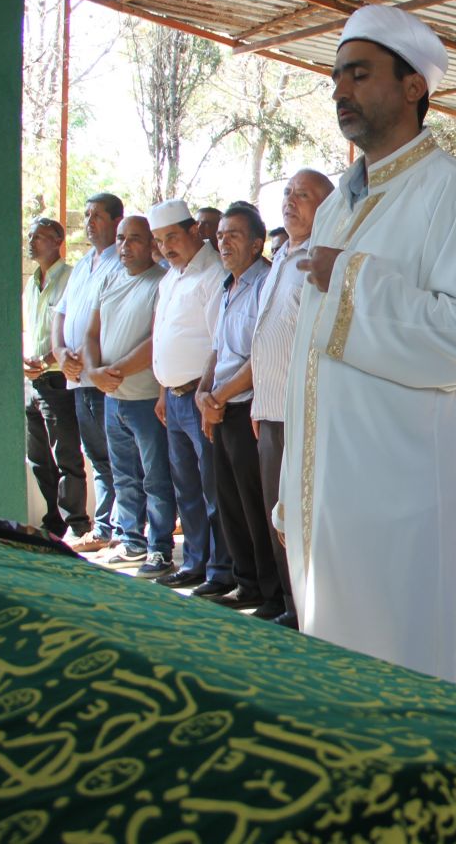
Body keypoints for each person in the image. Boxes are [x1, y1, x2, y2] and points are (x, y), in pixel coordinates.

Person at [277, 3, 456, 691]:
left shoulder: (451, 192)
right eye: (337, 77)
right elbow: (312, 361)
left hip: (399, 503)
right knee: (338, 681)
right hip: (331, 495)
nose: (341, 89)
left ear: (413, 87)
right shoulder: (343, 201)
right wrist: (296, 482)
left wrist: (350, 278)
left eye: (359, 73)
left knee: (405, 676)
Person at [247, 170, 331, 628]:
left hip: (303, 415)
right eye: (287, 193)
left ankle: (311, 616)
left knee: (299, 522)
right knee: (275, 517)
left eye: (303, 195)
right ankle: (291, 607)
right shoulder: (282, 254)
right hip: (271, 409)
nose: (290, 201)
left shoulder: (325, 257)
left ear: (328, 206)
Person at [148, 199, 232, 597]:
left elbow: (221, 344)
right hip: (175, 400)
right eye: (160, 241)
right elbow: (166, 339)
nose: (166, 247)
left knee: (212, 489)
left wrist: (207, 398)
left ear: (194, 231)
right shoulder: (171, 278)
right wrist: (165, 391)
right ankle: (194, 562)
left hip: (202, 398)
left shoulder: (213, 275)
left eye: (172, 237)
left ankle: (220, 570)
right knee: (186, 489)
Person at [197, 204, 276, 614]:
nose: (222, 242)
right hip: (220, 407)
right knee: (228, 501)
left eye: (233, 235)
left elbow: (260, 355)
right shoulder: (228, 285)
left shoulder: (265, 284)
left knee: (255, 504)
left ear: (257, 244)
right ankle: (245, 584)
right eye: (221, 235)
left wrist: (221, 396)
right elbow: (218, 347)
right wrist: (203, 392)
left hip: (247, 410)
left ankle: (268, 589)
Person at [84, 216, 171, 575]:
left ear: (151, 243)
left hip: (144, 398)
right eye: (120, 238)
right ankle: (131, 541)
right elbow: (91, 332)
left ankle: (160, 548)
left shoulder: (161, 282)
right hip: (111, 397)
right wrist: (93, 372)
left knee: (155, 476)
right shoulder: (109, 278)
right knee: (123, 475)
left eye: (134, 239)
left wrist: (113, 371)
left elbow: (157, 341)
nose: (124, 246)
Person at [51, 193, 126, 553]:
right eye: (87, 215)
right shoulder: (83, 265)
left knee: (116, 456)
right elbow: (60, 315)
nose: (89, 221)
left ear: (116, 221)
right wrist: (61, 351)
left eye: (97, 215)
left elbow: (112, 322)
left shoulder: (121, 264)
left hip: (103, 378)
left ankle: (118, 527)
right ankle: (106, 526)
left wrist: (89, 360)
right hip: (76, 376)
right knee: (94, 455)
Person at [22, 216, 89, 541]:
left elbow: (71, 334)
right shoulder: (31, 282)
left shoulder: (71, 279)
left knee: (66, 456)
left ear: (57, 242)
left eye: (39, 236)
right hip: (31, 382)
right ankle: (53, 521)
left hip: (57, 382)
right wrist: (27, 361)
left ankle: (76, 522)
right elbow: (33, 331)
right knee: (38, 458)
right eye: (30, 235)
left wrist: (45, 360)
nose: (31, 241)